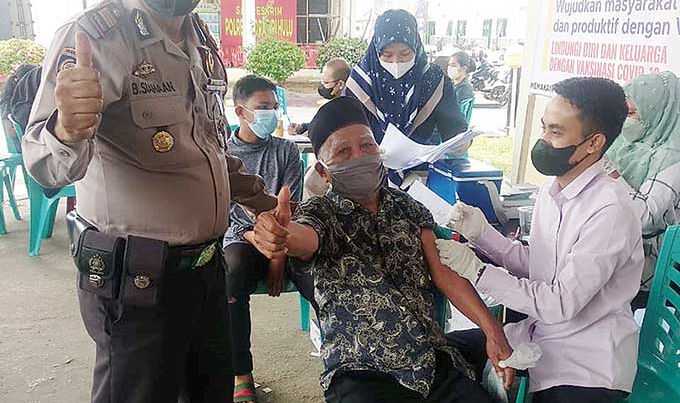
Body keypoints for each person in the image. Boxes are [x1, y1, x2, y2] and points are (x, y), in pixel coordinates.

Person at [23, 0, 276, 403]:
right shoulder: (94, 38)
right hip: (137, 286)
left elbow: (206, 149)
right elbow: (45, 169)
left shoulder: (200, 40)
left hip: (206, 274)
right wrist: (68, 129)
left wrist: (262, 201)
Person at [252, 96, 514, 403]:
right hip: (361, 371)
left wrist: (491, 329)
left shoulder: (407, 206)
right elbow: (305, 237)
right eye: (343, 151)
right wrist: (282, 236)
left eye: (367, 145)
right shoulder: (321, 212)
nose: (360, 156)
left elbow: (443, 272)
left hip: (430, 360)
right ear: (323, 172)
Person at [438, 77, 644, 403]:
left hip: (586, 364)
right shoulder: (553, 189)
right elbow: (540, 265)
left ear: (594, 143)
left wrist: (478, 272)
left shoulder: (610, 211)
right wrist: (481, 234)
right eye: (544, 128)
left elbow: (560, 303)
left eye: (556, 132)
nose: (544, 140)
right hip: (540, 336)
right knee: (437, 353)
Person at [222, 74, 315, 402]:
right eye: (263, 107)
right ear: (240, 111)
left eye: (274, 107)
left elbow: (291, 207)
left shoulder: (286, 150)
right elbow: (228, 213)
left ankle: (347, 360)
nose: (271, 115)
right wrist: (259, 239)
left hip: (287, 238)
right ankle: (241, 372)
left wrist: (278, 257)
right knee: (231, 274)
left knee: (324, 276)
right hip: (242, 237)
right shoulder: (222, 154)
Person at [606, 71, 680, 311]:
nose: (625, 121)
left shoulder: (672, 157)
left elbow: (643, 217)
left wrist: (611, 174)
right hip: (619, 260)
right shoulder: (628, 143)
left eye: (632, 113)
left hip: (651, 276)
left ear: (658, 113)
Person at [344, 9, 467, 146]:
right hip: (368, 159)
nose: (396, 62)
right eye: (387, 55)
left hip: (422, 159)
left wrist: (461, 143)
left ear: (416, 47)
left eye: (405, 53)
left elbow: (455, 130)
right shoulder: (359, 83)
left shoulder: (434, 80)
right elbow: (343, 132)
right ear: (376, 50)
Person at [287, 57, 350, 135]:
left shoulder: (346, 110)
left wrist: (313, 134)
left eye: (326, 83)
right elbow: (322, 124)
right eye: (322, 81)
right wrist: (302, 127)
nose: (322, 86)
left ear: (340, 84)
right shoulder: (335, 104)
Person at [0, 63, 40, 149]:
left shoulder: (17, 100)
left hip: (22, 145)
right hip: (22, 146)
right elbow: (11, 131)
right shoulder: (21, 105)